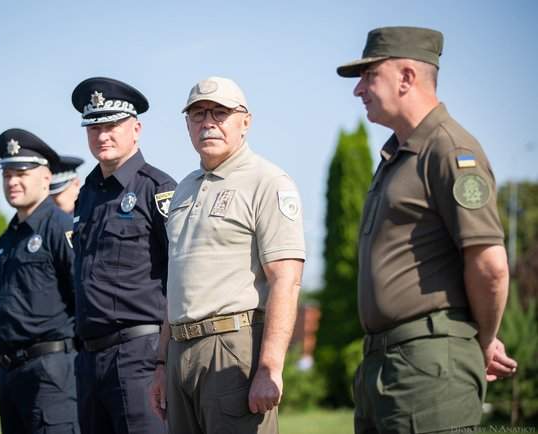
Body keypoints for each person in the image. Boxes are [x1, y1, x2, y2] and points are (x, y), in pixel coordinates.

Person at [336, 26, 518, 433]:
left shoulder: (450, 150)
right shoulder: (398, 156)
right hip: (386, 365)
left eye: (369, 76)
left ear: (406, 78)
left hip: (430, 369)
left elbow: (490, 267)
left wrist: (483, 341)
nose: (358, 90)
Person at [149, 76, 306, 434]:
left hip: (232, 347)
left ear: (245, 121)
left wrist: (270, 368)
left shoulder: (268, 181)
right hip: (179, 352)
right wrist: (161, 362)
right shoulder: (183, 189)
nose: (208, 123)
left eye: (220, 113)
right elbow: (175, 284)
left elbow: (286, 278)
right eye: (198, 114)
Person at [70, 77, 176, 434]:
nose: (103, 135)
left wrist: (165, 357)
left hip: (139, 357)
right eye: (95, 126)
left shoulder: (157, 189)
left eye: (113, 125)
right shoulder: (86, 193)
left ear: (136, 129)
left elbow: (181, 276)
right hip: (88, 360)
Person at [0, 128, 79, 434]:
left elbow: (80, 297)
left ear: (45, 178)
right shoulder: (7, 238)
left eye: (21, 173)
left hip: (51, 372)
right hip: (9, 372)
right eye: (7, 174)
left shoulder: (60, 227)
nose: (12, 182)